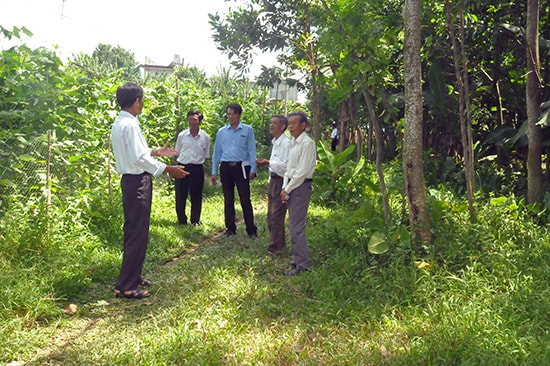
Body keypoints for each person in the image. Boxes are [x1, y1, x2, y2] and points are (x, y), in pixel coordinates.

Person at [111, 83, 189, 299]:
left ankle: (133, 276)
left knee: (135, 231)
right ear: (137, 101)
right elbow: (139, 158)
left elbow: (137, 152)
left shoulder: (121, 122)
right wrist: (167, 169)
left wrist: (156, 152)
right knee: (137, 233)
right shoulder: (131, 124)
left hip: (130, 180)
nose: (142, 104)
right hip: (137, 182)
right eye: (142, 100)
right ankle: (126, 285)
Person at [211, 103, 258, 237]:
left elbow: (251, 150)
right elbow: (217, 152)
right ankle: (230, 228)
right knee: (228, 198)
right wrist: (214, 172)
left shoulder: (247, 130)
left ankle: (251, 229)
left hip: (242, 167)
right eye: (228, 114)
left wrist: (253, 169)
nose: (230, 116)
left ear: (239, 115)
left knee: (245, 198)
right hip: (226, 167)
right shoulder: (222, 132)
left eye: (233, 114)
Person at [281, 111, 316, 276]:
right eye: (289, 123)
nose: (291, 126)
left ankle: (303, 264)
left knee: (297, 227)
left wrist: (288, 189)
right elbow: (289, 168)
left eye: (294, 123)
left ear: (303, 125)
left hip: (300, 187)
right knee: (293, 225)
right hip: (291, 186)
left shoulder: (307, 144)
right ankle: (296, 261)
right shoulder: (293, 142)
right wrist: (284, 187)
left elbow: (301, 172)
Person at [256, 115, 290, 256]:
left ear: (282, 127)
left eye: (274, 123)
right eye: (271, 123)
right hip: (274, 181)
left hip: (283, 181)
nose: (271, 125)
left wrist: (268, 163)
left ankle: (275, 248)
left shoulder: (286, 144)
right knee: (270, 216)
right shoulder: (276, 142)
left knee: (276, 216)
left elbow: (287, 167)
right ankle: (279, 244)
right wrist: (270, 182)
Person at [174, 109, 211, 226]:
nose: (191, 122)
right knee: (180, 195)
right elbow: (177, 151)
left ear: (199, 121)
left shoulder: (205, 137)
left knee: (196, 195)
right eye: (189, 119)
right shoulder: (182, 135)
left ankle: (195, 220)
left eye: (194, 120)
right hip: (182, 167)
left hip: (197, 168)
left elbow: (206, 155)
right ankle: (181, 220)